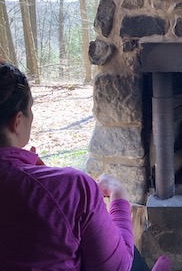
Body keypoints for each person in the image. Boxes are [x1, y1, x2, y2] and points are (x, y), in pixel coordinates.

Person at [0, 61, 170, 271]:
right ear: (17, 121)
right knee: (130, 258)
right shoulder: (70, 187)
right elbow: (117, 268)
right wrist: (119, 195)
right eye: (31, 109)